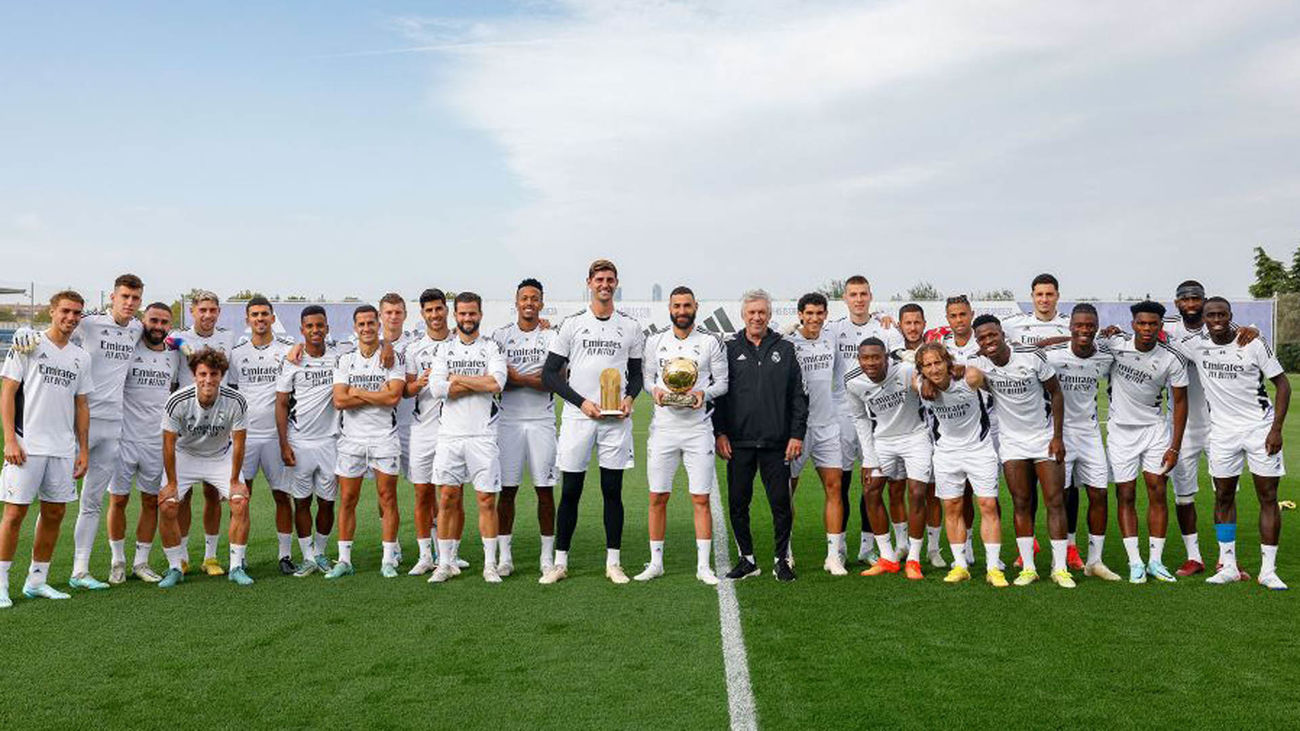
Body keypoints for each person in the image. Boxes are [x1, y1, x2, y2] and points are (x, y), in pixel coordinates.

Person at [12, 275, 144, 590]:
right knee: (51, 501)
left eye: (135, 298)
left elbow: (167, 337)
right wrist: (23, 329)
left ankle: (80, 571)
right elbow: (56, 327)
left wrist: (182, 344)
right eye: (124, 296)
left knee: (93, 500)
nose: (129, 303)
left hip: (113, 426)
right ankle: (36, 575)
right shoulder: (88, 323)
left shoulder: (137, 328)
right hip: (75, 424)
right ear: (112, 296)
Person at [540, 259, 644, 585]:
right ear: (589, 282)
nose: (605, 284)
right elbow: (549, 375)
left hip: (615, 421)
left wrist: (628, 400)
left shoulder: (630, 327)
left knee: (612, 491)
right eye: (599, 279)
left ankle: (613, 563)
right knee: (571, 491)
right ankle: (560, 563)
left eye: (610, 279)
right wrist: (582, 403)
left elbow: (638, 375)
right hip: (578, 418)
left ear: (616, 283)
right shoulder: (571, 325)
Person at [1181, 298, 1290, 589]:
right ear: (1203, 319)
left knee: (1267, 497)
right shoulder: (1195, 345)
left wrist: (1276, 429)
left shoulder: (1253, 342)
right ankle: (1227, 565)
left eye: (1222, 314)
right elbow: (1157, 338)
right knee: (1223, 497)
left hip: (1259, 429)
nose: (1216, 319)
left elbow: (1282, 384)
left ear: (1231, 316)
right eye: (1210, 315)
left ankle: (1268, 570)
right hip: (1222, 433)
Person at [0, 291, 93, 607]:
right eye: (65, 311)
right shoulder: (28, 344)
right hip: (27, 445)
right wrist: (10, 439)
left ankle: (36, 581)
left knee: (54, 513)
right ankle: (1, 584)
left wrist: (83, 450)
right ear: (52, 311)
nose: (71, 317)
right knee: (14, 514)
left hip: (63, 449)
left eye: (77, 313)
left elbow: (82, 405)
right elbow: (8, 392)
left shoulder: (81, 357)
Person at [970, 314, 1074, 588]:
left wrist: (1057, 437)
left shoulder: (1030, 356)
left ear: (1002, 333)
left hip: (1043, 438)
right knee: (1021, 503)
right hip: (1012, 443)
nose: (988, 341)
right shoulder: (978, 362)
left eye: (992, 335)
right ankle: (1028, 568)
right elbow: (958, 372)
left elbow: (1056, 393)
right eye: (982, 338)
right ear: (978, 343)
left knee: (1054, 501)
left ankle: (1060, 568)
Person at [713, 289, 807, 583]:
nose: (757, 317)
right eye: (751, 312)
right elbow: (720, 396)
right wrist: (720, 433)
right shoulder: (728, 349)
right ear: (743, 315)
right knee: (739, 503)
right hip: (738, 443)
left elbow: (798, 397)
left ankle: (781, 560)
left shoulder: (786, 349)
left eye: (762, 312)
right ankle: (747, 559)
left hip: (776, 443)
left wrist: (796, 435)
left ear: (769, 315)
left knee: (781, 503)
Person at [637, 286, 728, 585]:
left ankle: (703, 566)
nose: (682, 311)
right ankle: (656, 562)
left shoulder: (711, 341)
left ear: (695, 307)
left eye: (687, 305)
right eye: (677, 306)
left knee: (700, 498)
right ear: (669, 308)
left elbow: (723, 383)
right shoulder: (655, 341)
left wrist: (704, 392)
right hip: (663, 429)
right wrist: (657, 392)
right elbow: (648, 380)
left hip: (698, 429)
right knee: (657, 496)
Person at [1099, 301, 1189, 584]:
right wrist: (1103, 333)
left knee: (1157, 491)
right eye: (1142, 323)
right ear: (1133, 324)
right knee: (1125, 495)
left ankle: (1156, 561)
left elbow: (1180, 402)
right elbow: (1081, 341)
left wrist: (1174, 447)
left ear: (1161, 326)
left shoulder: (1172, 358)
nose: (1147, 328)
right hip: (1121, 433)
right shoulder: (1115, 345)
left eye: (1153, 324)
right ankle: (1135, 561)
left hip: (1154, 431)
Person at [427, 292, 507, 584]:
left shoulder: (491, 347)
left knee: (486, 500)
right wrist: (477, 383)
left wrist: (457, 379)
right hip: (449, 435)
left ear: (480, 315)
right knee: (447, 498)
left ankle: (489, 564)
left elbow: (497, 382)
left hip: (483, 435)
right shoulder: (444, 350)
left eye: (472, 314)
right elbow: (436, 389)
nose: (467, 319)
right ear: (455, 315)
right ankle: (445, 564)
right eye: (462, 314)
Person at [156, 348, 252, 587]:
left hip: (220, 456)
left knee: (240, 501)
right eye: (203, 374)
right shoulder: (177, 400)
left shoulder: (236, 400)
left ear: (222, 375)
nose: (208, 380)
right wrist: (172, 484)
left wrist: (233, 481)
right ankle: (175, 567)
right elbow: (168, 445)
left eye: (214, 374)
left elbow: (239, 444)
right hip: (185, 455)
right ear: (194, 375)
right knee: (168, 506)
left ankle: (236, 566)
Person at [913, 343, 1006, 587]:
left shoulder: (969, 377)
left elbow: (980, 372)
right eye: (927, 365)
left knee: (987, 505)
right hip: (946, 454)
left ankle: (993, 567)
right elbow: (910, 373)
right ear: (921, 369)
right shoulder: (922, 386)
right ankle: (960, 566)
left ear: (947, 362)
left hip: (979, 449)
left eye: (938, 362)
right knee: (952, 508)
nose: (934, 369)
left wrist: (960, 368)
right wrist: (924, 381)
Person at [1040, 304, 1120, 580]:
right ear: (1070, 326)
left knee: (1099, 494)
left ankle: (1094, 561)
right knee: (1058, 499)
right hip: (1057, 435)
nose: (1084, 330)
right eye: (1079, 325)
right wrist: (1063, 339)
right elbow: (1031, 350)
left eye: (1090, 326)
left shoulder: (1105, 357)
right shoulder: (1051, 356)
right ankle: (1058, 563)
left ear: (1096, 328)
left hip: (1090, 434)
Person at [826, 276, 901, 566]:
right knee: (841, 483)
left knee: (873, 482)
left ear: (871, 296)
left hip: (879, 417)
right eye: (853, 294)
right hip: (843, 416)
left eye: (863, 294)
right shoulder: (834, 330)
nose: (859, 299)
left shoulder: (885, 328)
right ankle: (840, 546)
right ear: (844, 298)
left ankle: (868, 546)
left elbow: (898, 363)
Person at [325, 305, 405, 579]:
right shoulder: (345, 360)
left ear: (378, 325)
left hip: (384, 437)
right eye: (362, 324)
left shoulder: (392, 358)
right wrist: (374, 394)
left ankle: (388, 559)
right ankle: (344, 560)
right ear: (355, 327)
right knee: (347, 499)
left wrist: (357, 391)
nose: (367, 328)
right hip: (351, 439)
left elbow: (394, 397)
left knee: (387, 498)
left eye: (372, 323)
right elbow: (339, 400)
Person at [844, 338, 933, 579]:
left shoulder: (905, 370)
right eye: (865, 358)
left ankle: (913, 558)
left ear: (886, 357)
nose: (871, 363)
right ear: (859, 359)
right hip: (883, 441)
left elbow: (929, 388)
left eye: (876, 357)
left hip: (915, 436)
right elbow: (860, 418)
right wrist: (869, 458)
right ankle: (887, 557)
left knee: (916, 493)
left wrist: (920, 376)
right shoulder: (853, 381)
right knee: (871, 491)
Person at [106, 302, 180, 584]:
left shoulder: (175, 355)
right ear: (142, 320)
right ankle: (117, 561)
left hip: (156, 441)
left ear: (170, 326)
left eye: (164, 322)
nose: (158, 327)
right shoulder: (128, 349)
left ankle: (141, 561)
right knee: (118, 500)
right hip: (123, 437)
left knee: (151, 501)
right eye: (153, 320)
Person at [168, 291, 238, 577]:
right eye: (202, 310)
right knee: (181, 498)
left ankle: (210, 557)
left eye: (212, 310)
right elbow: (165, 338)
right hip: (186, 427)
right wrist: (183, 344)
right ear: (192, 312)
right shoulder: (177, 336)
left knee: (213, 494)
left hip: (217, 426)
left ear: (219, 312)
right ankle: (182, 556)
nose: (207, 315)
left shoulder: (229, 338)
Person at [491, 279, 558, 577]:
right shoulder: (501, 336)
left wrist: (518, 377)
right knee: (507, 492)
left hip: (542, 421)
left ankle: (547, 558)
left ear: (541, 303)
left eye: (535, 298)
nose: (529, 303)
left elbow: (556, 379)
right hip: (508, 422)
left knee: (545, 491)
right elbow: (498, 379)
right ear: (516, 302)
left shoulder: (552, 336)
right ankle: (505, 557)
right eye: (524, 298)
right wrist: (534, 378)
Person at [226, 297, 292, 572]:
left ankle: (285, 555)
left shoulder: (287, 351)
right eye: (255, 315)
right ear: (247, 320)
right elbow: (229, 395)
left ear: (273, 318)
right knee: (242, 497)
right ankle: (238, 557)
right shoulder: (236, 354)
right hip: (245, 437)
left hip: (276, 436)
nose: (260, 319)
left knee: (282, 495)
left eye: (265, 314)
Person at [275, 306, 341, 577]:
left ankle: (322, 553)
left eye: (320, 326)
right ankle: (308, 557)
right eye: (310, 326)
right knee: (301, 501)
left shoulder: (339, 358)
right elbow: (280, 404)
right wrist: (283, 444)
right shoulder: (291, 361)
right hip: (299, 441)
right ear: (302, 330)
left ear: (327, 328)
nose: (316, 330)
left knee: (327, 502)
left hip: (330, 442)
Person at [787, 293, 848, 575]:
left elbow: (838, 380)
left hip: (827, 425)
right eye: (809, 313)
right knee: (788, 491)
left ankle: (833, 555)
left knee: (834, 487)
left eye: (819, 313)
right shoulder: (788, 342)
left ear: (826, 314)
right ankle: (785, 551)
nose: (814, 318)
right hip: (796, 429)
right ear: (800, 314)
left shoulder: (832, 337)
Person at [893, 303, 947, 567]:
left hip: (934, 430)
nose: (913, 327)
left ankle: (934, 549)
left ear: (925, 324)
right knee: (897, 489)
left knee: (932, 492)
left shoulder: (936, 352)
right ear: (900, 325)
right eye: (907, 323)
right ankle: (902, 544)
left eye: (917, 322)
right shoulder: (892, 353)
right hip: (901, 431)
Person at [404, 288, 453, 575]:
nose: (435, 315)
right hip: (422, 429)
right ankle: (425, 555)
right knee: (423, 494)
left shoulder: (460, 342)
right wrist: (421, 382)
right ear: (422, 314)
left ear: (446, 310)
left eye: (439, 309)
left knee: (449, 495)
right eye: (429, 310)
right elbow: (406, 391)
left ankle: (449, 554)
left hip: (453, 430)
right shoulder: (414, 349)